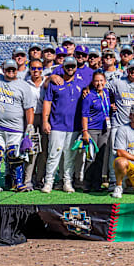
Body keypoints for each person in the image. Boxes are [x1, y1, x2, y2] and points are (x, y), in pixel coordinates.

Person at [0, 59, 35, 194]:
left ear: (17, 70)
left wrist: (29, 125)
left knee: (14, 155)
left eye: (13, 69)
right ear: (3, 69)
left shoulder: (23, 86)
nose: (11, 72)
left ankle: (17, 183)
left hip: (15, 128)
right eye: (8, 69)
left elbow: (29, 108)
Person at [42, 56, 87, 193]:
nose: (70, 69)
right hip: (57, 125)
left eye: (73, 66)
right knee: (54, 154)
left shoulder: (81, 83)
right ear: (63, 67)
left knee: (69, 155)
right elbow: (47, 102)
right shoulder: (55, 82)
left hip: (74, 126)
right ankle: (49, 181)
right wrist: (45, 121)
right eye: (67, 66)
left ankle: (67, 181)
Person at [81, 72, 112, 192]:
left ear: (105, 82)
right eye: (96, 81)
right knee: (91, 157)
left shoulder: (107, 94)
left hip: (104, 129)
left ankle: (97, 183)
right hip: (92, 129)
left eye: (101, 81)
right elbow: (84, 115)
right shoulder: (89, 96)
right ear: (93, 82)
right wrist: (85, 131)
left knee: (100, 158)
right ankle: (87, 183)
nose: (99, 83)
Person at [23, 58, 47, 190]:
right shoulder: (25, 83)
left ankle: (40, 178)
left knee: (43, 151)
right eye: (33, 68)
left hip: (44, 118)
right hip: (30, 118)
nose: (36, 71)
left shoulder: (46, 82)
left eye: (38, 68)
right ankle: (28, 179)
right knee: (31, 150)